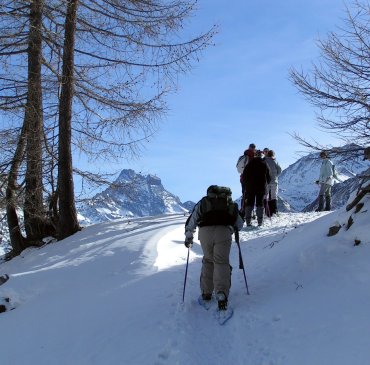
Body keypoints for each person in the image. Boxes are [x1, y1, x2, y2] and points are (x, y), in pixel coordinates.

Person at [184, 185, 244, 311]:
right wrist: (232, 228)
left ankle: (206, 293)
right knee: (221, 262)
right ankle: (221, 294)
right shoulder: (230, 203)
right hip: (224, 232)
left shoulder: (204, 202)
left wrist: (189, 236)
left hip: (205, 233)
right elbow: (240, 224)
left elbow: (193, 218)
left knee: (208, 260)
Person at [242, 150, 271, 226]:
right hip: (261, 187)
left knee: (249, 203)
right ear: (261, 156)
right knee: (259, 204)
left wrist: (245, 184)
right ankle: (260, 222)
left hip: (250, 187)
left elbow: (244, 176)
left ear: (255, 155)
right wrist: (266, 182)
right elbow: (268, 177)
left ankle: (248, 222)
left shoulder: (249, 164)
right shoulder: (264, 164)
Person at [264, 150, 282, 216]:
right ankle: (274, 211)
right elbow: (280, 170)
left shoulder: (264, 160)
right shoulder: (275, 161)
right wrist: (275, 175)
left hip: (266, 181)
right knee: (274, 196)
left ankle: (267, 212)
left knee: (266, 196)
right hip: (274, 181)